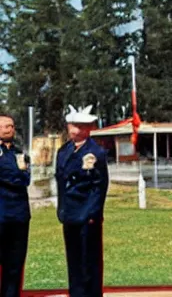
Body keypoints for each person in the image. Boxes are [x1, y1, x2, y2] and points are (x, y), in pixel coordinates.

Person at [56, 105, 109, 297]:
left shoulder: (96, 152)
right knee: (74, 260)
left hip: (87, 214)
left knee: (90, 262)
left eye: (78, 126)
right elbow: (61, 182)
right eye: (71, 125)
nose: (73, 129)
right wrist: (61, 209)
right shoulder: (63, 151)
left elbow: (99, 186)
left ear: (88, 128)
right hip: (69, 213)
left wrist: (93, 213)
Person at [0, 113, 31, 297]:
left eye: (11, 126)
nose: (10, 129)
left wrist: (12, 176)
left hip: (19, 214)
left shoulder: (20, 152)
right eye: (5, 126)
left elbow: (26, 178)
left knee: (15, 261)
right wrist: (15, 176)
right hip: (1, 214)